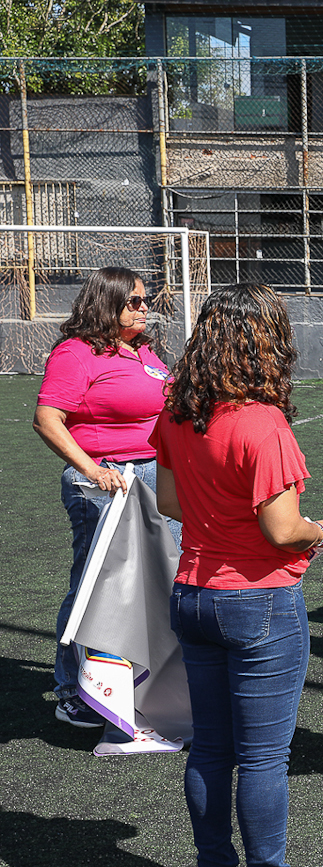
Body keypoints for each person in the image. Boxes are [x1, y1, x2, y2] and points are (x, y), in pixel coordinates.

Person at [153, 283, 323, 867]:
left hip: (194, 595)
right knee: (261, 761)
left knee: (208, 750)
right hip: (257, 601)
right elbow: (282, 529)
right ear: (267, 343)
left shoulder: (178, 407)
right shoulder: (264, 423)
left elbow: (169, 504)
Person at [33, 266, 182, 749]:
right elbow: (47, 419)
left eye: (145, 300)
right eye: (134, 301)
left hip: (152, 478)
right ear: (107, 303)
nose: (145, 307)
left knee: (159, 582)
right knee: (99, 587)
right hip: (106, 481)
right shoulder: (75, 354)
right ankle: (74, 690)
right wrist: (94, 468)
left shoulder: (143, 352)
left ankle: (141, 685)